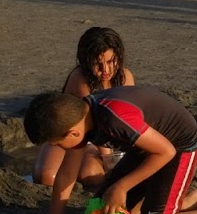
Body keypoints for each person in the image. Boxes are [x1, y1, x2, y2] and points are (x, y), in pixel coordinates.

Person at [23, 86, 197, 214]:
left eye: (57, 145)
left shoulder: (113, 118)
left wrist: (122, 186)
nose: (59, 148)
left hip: (178, 148)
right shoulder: (80, 117)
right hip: (147, 149)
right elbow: (66, 174)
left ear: (73, 132)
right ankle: (189, 200)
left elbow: (166, 151)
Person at [33, 26, 138, 185]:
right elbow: (100, 120)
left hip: (102, 140)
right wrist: (108, 160)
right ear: (86, 61)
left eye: (111, 61)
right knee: (46, 176)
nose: (106, 70)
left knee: (92, 175)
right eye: (98, 64)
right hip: (69, 134)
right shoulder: (80, 79)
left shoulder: (125, 77)